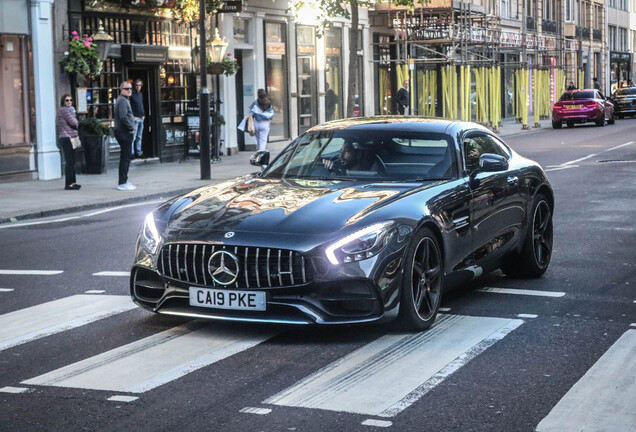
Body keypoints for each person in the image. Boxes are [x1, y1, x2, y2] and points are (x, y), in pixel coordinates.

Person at [114, 81, 136, 191]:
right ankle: (122, 182)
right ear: (121, 89)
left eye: (130, 88)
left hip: (122, 131)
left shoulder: (123, 100)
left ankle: (124, 180)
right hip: (123, 132)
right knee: (125, 158)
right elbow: (123, 117)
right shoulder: (122, 100)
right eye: (127, 88)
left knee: (125, 157)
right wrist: (130, 128)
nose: (129, 90)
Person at [56, 94, 81, 190]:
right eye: (67, 100)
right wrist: (78, 123)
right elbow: (74, 123)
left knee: (72, 161)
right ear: (63, 101)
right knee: (69, 161)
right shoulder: (64, 110)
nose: (69, 102)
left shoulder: (70, 110)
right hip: (67, 138)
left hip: (71, 137)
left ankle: (73, 182)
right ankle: (69, 184)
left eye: (70, 100)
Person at [130, 79, 145, 158]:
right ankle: (132, 153)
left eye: (139, 85)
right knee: (133, 137)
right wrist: (132, 117)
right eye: (136, 85)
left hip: (141, 118)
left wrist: (143, 115)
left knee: (139, 137)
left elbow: (141, 105)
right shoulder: (131, 94)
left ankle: (139, 152)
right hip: (135, 118)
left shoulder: (140, 94)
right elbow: (128, 107)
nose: (138, 87)